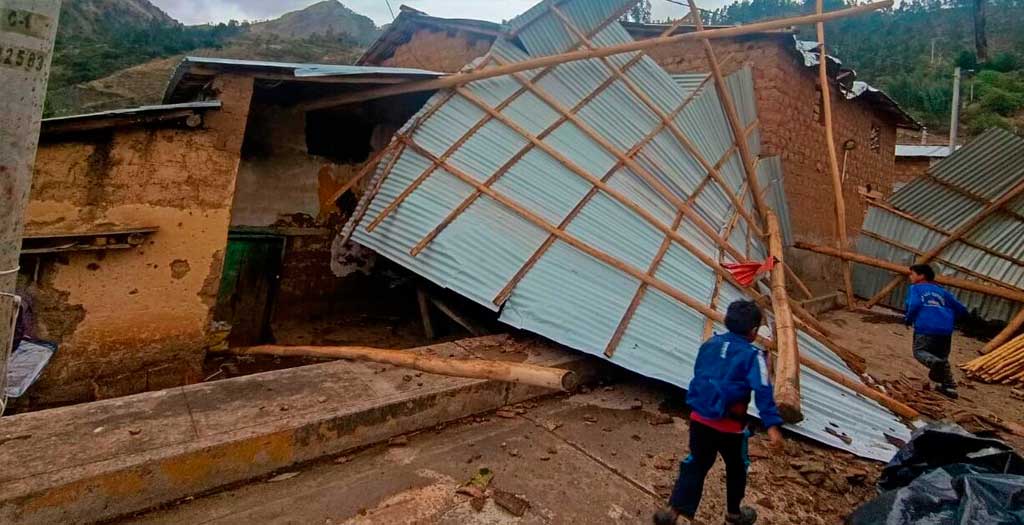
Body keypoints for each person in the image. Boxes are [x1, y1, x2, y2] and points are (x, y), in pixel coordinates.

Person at [654, 300, 784, 525]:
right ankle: (734, 515)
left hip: (700, 418)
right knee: (737, 468)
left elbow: (700, 373)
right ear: (753, 332)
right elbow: (763, 389)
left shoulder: (710, 343)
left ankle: (673, 511)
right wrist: (772, 425)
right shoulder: (753, 356)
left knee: (695, 462)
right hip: (730, 427)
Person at [905, 264, 967, 399]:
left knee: (920, 352)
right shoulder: (942, 291)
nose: (910, 276)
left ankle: (934, 363)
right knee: (942, 358)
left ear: (921, 276)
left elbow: (914, 304)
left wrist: (909, 319)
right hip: (945, 330)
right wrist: (949, 319)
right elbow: (961, 308)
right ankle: (949, 387)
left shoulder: (916, 288)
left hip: (926, 326)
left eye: (912, 274)